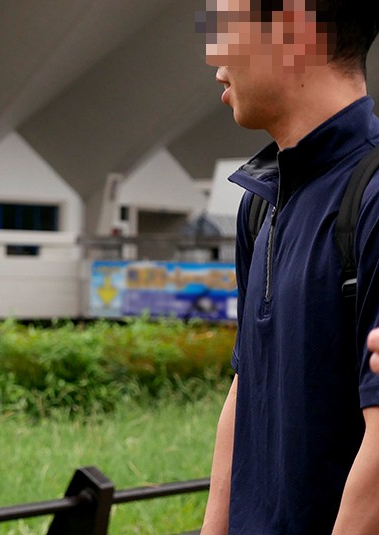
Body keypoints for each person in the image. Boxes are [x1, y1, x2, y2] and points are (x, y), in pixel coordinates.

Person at [199, 1, 379, 533]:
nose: (213, 54)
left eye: (225, 26)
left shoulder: (371, 197)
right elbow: (246, 384)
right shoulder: (261, 202)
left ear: (294, 29)